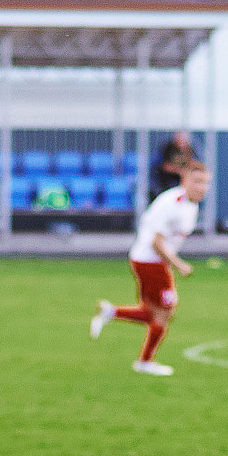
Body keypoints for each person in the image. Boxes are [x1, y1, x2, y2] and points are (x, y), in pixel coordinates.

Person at [91, 160, 208, 376]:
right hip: (150, 261)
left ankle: (112, 311)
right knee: (165, 313)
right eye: (196, 181)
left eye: (204, 182)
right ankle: (145, 362)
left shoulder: (191, 204)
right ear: (184, 180)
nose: (201, 187)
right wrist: (179, 265)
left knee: (153, 312)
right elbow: (157, 242)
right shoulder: (172, 203)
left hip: (150, 260)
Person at [152, 130, 197, 198]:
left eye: (184, 139)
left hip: (182, 184)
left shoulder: (190, 150)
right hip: (167, 182)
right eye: (180, 138)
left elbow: (194, 166)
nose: (182, 142)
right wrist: (179, 170)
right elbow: (164, 166)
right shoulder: (167, 148)